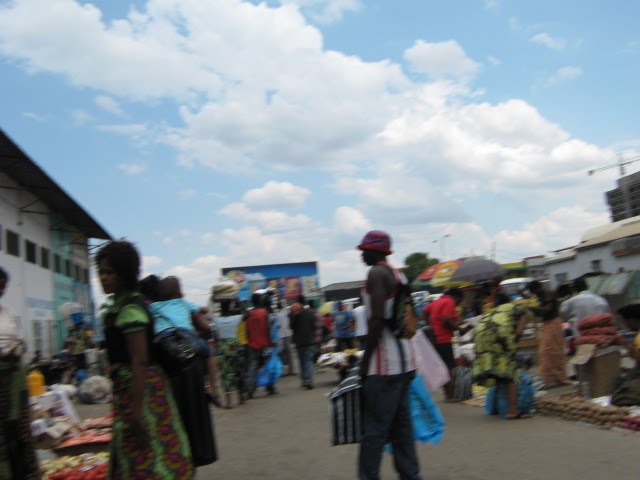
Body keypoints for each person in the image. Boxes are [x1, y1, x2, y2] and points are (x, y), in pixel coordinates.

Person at [96, 241, 193, 479]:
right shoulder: (120, 306)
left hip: (142, 393)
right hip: (131, 392)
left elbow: (139, 362)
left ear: (124, 273)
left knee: (148, 455)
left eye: (109, 272)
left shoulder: (131, 309)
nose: (103, 278)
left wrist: (137, 414)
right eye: (100, 272)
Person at [357, 230, 421, 480]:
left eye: (365, 250)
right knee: (402, 428)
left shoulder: (376, 273)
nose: (362, 254)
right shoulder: (398, 274)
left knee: (374, 431)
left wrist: (364, 363)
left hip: (384, 367)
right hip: (405, 362)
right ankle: (411, 475)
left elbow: (376, 321)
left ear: (376, 251)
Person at [148, 276, 221, 406]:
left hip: (161, 338)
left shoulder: (154, 306)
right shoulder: (183, 303)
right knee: (207, 354)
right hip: (184, 335)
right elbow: (203, 311)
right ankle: (212, 388)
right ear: (178, 293)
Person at [0, 267, 39, 480]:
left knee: (18, 433)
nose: (0, 291)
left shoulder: (8, 312)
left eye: (2, 288)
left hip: (14, 379)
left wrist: (17, 348)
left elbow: (20, 339)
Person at [473, 292, 532, 420]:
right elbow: (523, 320)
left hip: (481, 335)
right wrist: (515, 339)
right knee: (511, 372)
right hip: (500, 334)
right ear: (508, 300)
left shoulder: (492, 312)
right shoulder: (514, 307)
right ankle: (512, 411)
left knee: (498, 370)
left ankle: (499, 407)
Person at [422, 287, 464, 401]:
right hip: (443, 338)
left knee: (443, 366)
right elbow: (446, 320)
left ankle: (448, 394)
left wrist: (430, 324)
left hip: (435, 338)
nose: (458, 304)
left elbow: (425, 311)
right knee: (449, 366)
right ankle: (450, 395)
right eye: (459, 301)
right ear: (457, 298)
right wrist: (459, 329)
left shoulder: (437, 301)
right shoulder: (449, 302)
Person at [529, 281, 571, 388]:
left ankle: (559, 377)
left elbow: (547, 309)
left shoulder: (549, 294)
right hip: (547, 324)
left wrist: (532, 308)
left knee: (552, 350)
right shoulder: (541, 296)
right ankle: (550, 380)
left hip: (553, 324)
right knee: (545, 352)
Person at [214, 297, 246, 408]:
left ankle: (228, 402)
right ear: (230, 306)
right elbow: (247, 314)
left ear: (219, 308)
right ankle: (240, 397)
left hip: (222, 347)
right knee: (237, 371)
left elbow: (215, 336)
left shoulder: (216, 319)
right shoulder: (236, 318)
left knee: (225, 374)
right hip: (234, 346)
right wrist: (238, 301)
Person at [245, 292, 276, 397]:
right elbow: (267, 329)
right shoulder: (264, 313)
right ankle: (270, 387)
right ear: (260, 301)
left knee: (253, 367)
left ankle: (250, 390)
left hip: (252, 345)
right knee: (268, 366)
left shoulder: (248, 314)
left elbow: (246, 331)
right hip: (265, 344)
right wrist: (270, 342)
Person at [289, 297, 318, 389]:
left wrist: (293, 315)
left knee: (302, 362)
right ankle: (308, 380)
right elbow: (314, 326)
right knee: (308, 361)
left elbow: (291, 327)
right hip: (309, 340)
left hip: (299, 342)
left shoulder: (294, 315)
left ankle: (305, 380)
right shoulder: (310, 313)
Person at [277, 299, 296, 376]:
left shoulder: (278, 314)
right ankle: (292, 370)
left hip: (282, 335)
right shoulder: (286, 312)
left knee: (282, 353)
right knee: (289, 353)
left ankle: (285, 371)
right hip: (288, 333)